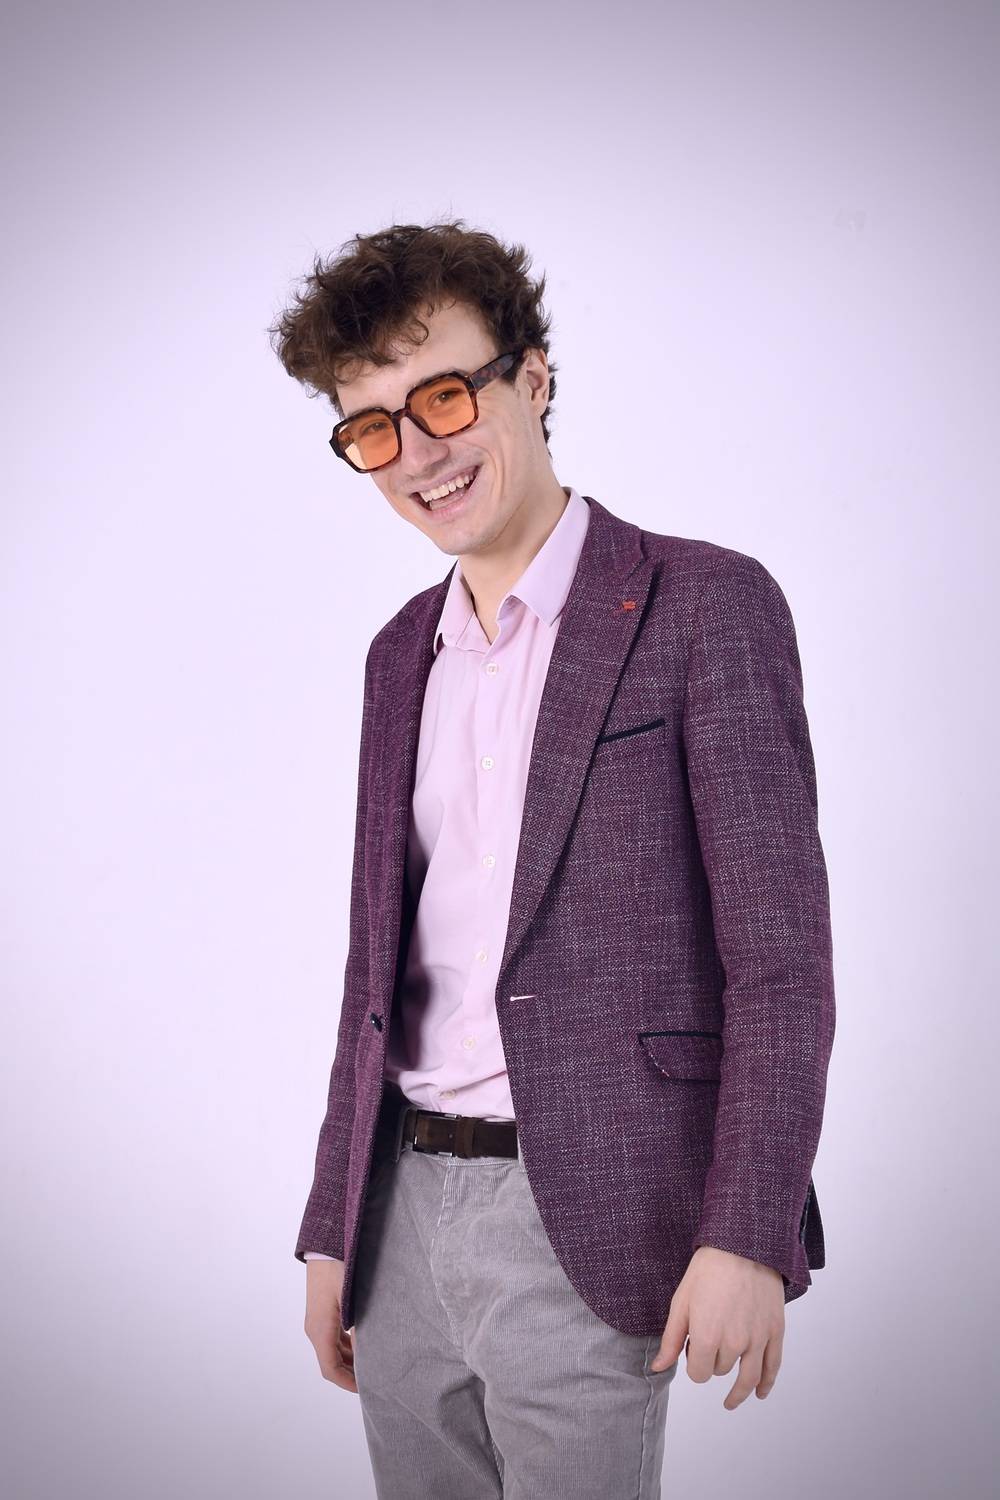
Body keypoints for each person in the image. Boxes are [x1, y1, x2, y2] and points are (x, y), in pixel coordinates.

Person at [269, 219, 835, 1499]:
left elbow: (779, 965)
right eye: (372, 428)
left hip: (591, 1207)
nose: (418, 453)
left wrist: (746, 1230)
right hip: (396, 1219)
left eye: (444, 396)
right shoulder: (396, 655)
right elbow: (375, 974)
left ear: (533, 378)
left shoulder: (704, 606)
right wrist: (329, 1228)